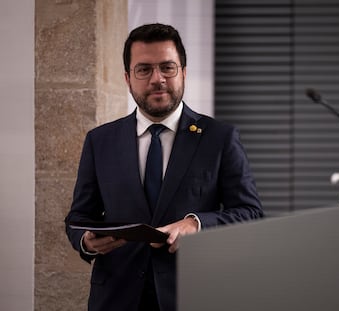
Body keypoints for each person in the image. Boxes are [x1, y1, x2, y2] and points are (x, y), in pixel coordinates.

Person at [65, 23, 263, 311]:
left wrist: (197, 224)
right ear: (127, 78)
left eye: (167, 67)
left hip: (196, 294)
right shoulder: (99, 141)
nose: (157, 79)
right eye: (144, 69)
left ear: (183, 72)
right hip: (116, 299)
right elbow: (78, 217)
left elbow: (250, 213)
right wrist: (86, 241)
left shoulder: (219, 138)